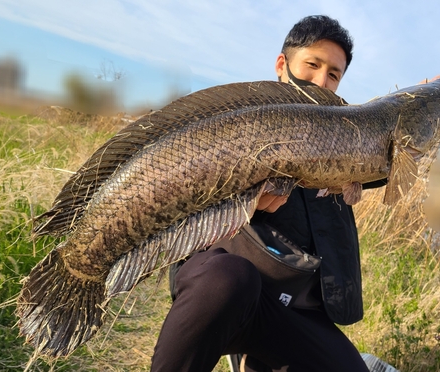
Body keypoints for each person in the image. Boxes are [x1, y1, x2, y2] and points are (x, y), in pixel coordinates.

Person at [150, 15, 386, 372]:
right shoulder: (242, 121)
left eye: (334, 74)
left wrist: (417, 106)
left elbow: (387, 157)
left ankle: (256, 361)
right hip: (230, 292)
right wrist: (241, 202)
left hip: (294, 313)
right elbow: (180, 201)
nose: (323, 81)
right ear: (282, 65)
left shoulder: (347, 140)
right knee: (226, 280)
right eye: (313, 64)